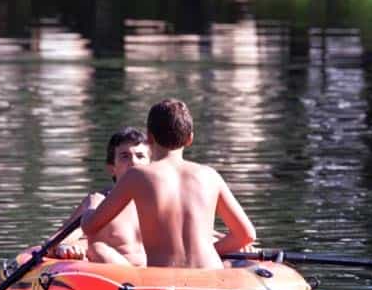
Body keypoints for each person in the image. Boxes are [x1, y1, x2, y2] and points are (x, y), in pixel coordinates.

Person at [78, 99, 256, 269]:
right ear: (190, 139)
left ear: (149, 138)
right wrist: (210, 252)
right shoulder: (210, 176)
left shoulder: (137, 176)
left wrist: (89, 213)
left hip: (166, 279)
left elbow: (90, 226)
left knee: (96, 245)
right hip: (210, 272)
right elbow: (246, 235)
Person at [54, 127, 151, 266]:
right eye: (125, 156)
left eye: (140, 156)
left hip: (162, 280)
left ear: (150, 165)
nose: (133, 162)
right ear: (112, 168)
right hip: (118, 280)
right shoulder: (98, 202)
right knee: (98, 249)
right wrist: (67, 248)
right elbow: (58, 242)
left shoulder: (163, 203)